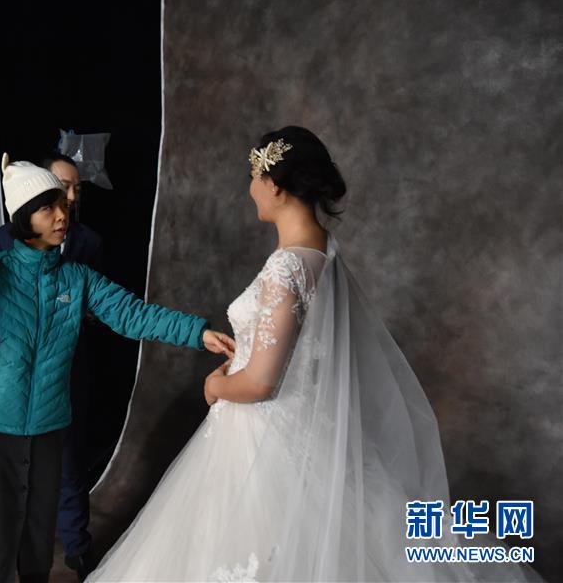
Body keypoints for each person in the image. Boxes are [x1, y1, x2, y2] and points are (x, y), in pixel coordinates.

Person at [86, 127, 541, 582]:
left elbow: (261, 383)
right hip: (294, 424)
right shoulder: (320, 249)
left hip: (265, 437)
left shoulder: (287, 267)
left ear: (275, 186)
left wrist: (216, 384)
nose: (250, 189)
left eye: (253, 177)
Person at [0, 154, 235, 583]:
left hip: (48, 429)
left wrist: (198, 333)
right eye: (48, 208)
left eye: (64, 205)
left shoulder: (78, 279)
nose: (63, 215)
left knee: (37, 545)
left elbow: (133, 315)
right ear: (23, 217)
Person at [0, 151, 103, 580]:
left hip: (69, 371)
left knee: (70, 462)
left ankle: (77, 548)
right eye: (61, 189)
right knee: (14, 473)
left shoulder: (88, 243)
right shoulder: (0, 244)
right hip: (15, 379)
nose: (70, 199)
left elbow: (114, 307)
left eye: (76, 190)